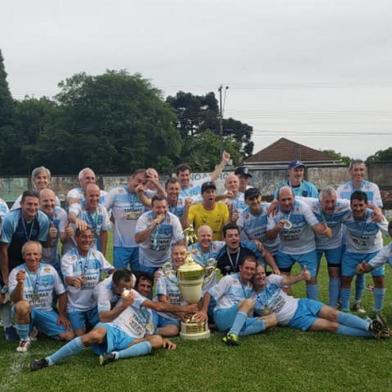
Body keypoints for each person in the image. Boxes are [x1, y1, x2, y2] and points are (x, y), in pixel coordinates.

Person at [223, 264, 388, 345]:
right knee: (331, 326)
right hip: (295, 320)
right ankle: (376, 332)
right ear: (252, 279)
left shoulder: (272, 279)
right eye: (256, 275)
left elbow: (288, 280)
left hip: (303, 304)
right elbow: (248, 317)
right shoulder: (252, 298)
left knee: (334, 314)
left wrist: (302, 276)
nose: (260, 276)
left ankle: (368, 327)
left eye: (261, 273)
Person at [30, 288, 178, 371]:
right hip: (114, 328)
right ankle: (48, 360)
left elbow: (151, 333)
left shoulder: (153, 315)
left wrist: (162, 339)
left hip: (131, 339)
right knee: (94, 335)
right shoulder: (132, 296)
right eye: (143, 285)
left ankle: (114, 355)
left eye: (148, 286)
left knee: (157, 340)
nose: (145, 288)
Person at [0, 190, 50, 341]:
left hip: (28, 258)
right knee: (4, 293)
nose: (32, 208)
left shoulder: (43, 219)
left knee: (28, 289)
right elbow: (2, 250)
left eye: (35, 204)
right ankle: (8, 326)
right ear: (21, 204)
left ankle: (30, 323)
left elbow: (40, 246)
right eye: (29, 204)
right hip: (9, 257)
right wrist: (6, 278)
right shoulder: (11, 219)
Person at [266, 186, 332, 300]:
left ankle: (313, 307)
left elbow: (314, 225)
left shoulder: (302, 207)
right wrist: (277, 228)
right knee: (282, 279)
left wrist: (324, 230)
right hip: (285, 251)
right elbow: (270, 236)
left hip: (306, 249)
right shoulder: (273, 210)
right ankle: (289, 306)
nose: (287, 203)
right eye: (283, 200)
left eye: (289, 199)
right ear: (278, 200)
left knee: (310, 279)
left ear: (294, 197)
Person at [9, 241, 74, 352]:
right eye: (28, 254)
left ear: (40, 255)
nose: (32, 257)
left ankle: (38, 329)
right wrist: (20, 283)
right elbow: (15, 299)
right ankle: (24, 339)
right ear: (23, 256)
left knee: (69, 336)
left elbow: (62, 294)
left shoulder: (50, 270)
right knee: (22, 305)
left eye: (35, 254)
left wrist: (62, 314)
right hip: (26, 311)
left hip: (46, 311)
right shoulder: (16, 272)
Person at [337, 159, 384, 311]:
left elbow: (378, 210)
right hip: (348, 238)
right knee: (348, 274)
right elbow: (336, 208)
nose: (359, 173)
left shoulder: (373, 187)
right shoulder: (341, 189)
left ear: (365, 171)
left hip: (371, 239)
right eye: (355, 170)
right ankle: (342, 304)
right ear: (350, 171)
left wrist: (375, 209)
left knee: (364, 274)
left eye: (361, 170)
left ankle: (358, 302)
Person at [195, 256, 277, 338]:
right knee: (248, 302)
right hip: (222, 315)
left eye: (252, 269)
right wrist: (203, 311)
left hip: (238, 318)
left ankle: (233, 330)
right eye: (247, 268)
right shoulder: (228, 279)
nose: (249, 271)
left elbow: (252, 310)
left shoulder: (250, 286)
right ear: (240, 268)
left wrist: (266, 315)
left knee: (273, 319)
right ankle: (233, 333)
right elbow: (209, 293)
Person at [340, 191, 389, 314]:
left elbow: (389, 232)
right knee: (345, 279)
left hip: (374, 251)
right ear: (350, 205)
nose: (358, 208)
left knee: (379, 279)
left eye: (361, 205)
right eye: (355, 205)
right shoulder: (345, 215)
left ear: (366, 205)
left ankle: (377, 311)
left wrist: (379, 212)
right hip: (352, 251)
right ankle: (345, 310)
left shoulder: (375, 216)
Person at [61, 227, 114, 336]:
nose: (87, 240)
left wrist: (116, 275)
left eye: (90, 237)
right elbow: (67, 278)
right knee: (80, 335)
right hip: (75, 307)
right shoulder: (68, 257)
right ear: (76, 238)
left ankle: (91, 325)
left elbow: (111, 269)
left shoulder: (97, 255)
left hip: (94, 305)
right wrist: (74, 281)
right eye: (84, 237)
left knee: (104, 330)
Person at [104, 169, 149, 270]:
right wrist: (108, 223)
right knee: (120, 278)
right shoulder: (115, 193)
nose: (140, 185)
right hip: (121, 245)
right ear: (131, 179)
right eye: (138, 180)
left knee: (139, 278)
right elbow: (102, 209)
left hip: (139, 246)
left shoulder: (145, 195)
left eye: (144, 183)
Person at [135, 195, 184, 273]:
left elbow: (180, 240)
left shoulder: (173, 219)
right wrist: (153, 225)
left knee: (167, 284)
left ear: (167, 207)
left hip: (166, 260)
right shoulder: (144, 218)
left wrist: (178, 257)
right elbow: (137, 239)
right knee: (146, 284)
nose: (161, 210)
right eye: (158, 207)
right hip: (147, 261)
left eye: (164, 207)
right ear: (152, 207)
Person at [70, 184, 111, 256]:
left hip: (94, 249)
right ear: (85, 195)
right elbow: (71, 216)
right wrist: (77, 220)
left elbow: (104, 232)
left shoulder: (102, 209)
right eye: (91, 196)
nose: (95, 198)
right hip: (76, 249)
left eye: (97, 196)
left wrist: (103, 255)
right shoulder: (78, 205)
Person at [39, 188, 73, 275]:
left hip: (54, 259)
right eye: (45, 201)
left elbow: (63, 240)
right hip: (37, 260)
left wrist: (68, 235)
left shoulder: (61, 213)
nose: (49, 204)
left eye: (52, 200)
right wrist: (48, 236)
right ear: (39, 202)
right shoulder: (35, 214)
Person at [237, 187, 279, 256]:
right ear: (246, 202)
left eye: (257, 197)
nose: (255, 201)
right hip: (259, 251)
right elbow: (236, 232)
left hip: (277, 248)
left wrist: (276, 202)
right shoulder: (243, 216)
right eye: (251, 199)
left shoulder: (269, 207)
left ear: (261, 197)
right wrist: (250, 242)